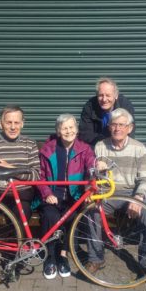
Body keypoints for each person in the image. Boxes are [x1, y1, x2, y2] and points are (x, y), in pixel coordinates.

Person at [86, 108, 146, 291]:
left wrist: (138, 198)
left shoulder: (139, 148)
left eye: (122, 125)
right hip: (108, 193)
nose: (117, 128)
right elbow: (93, 177)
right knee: (91, 211)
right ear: (109, 127)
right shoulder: (100, 146)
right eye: (114, 124)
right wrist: (97, 172)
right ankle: (96, 259)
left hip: (132, 193)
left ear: (129, 128)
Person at [0, 105, 40, 283]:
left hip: (23, 194)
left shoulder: (30, 144)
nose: (13, 127)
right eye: (8, 122)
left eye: (17, 122)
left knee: (21, 214)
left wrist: (12, 170)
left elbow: (36, 175)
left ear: (23, 124)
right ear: (0, 123)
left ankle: (12, 261)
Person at [37, 114, 95, 280]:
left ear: (76, 130)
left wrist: (90, 187)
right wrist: (47, 194)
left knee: (71, 216)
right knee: (50, 216)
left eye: (71, 127)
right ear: (58, 131)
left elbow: (91, 171)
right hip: (52, 195)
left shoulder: (85, 149)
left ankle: (63, 255)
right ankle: (50, 257)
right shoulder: (48, 150)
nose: (68, 131)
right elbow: (40, 177)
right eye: (64, 128)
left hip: (74, 196)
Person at [78, 77, 135, 147]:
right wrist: (105, 143)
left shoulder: (125, 106)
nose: (104, 99)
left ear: (116, 96)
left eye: (108, 95)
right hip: (96, 146)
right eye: (101, 95)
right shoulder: (90, 106)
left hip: (120, 146)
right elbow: (85, 134)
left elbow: (129, 132)